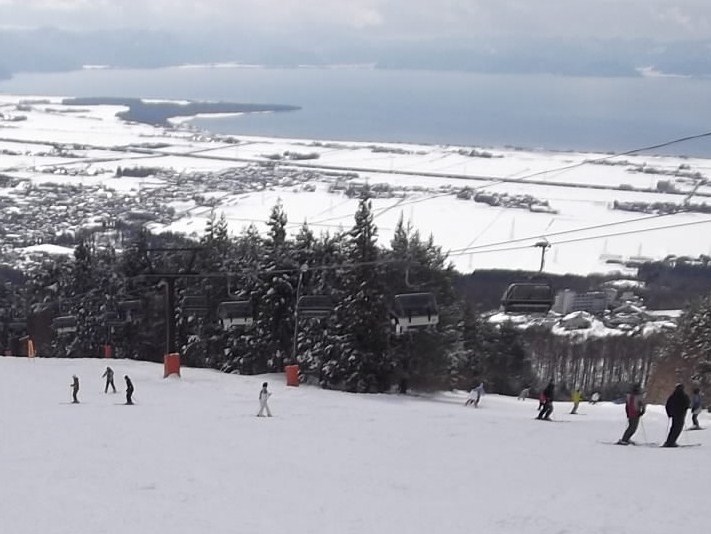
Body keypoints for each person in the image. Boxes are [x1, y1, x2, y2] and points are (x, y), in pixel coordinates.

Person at [663, 383, 690, 448]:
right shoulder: (684, 396)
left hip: (674, 415)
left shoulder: (672, 396)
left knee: (673, 428)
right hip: (680, 415)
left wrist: (669, 413)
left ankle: (669, 441)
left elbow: (667, 405)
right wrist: (684, 410)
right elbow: (687, 405)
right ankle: (672, 442)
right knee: (678, 428)